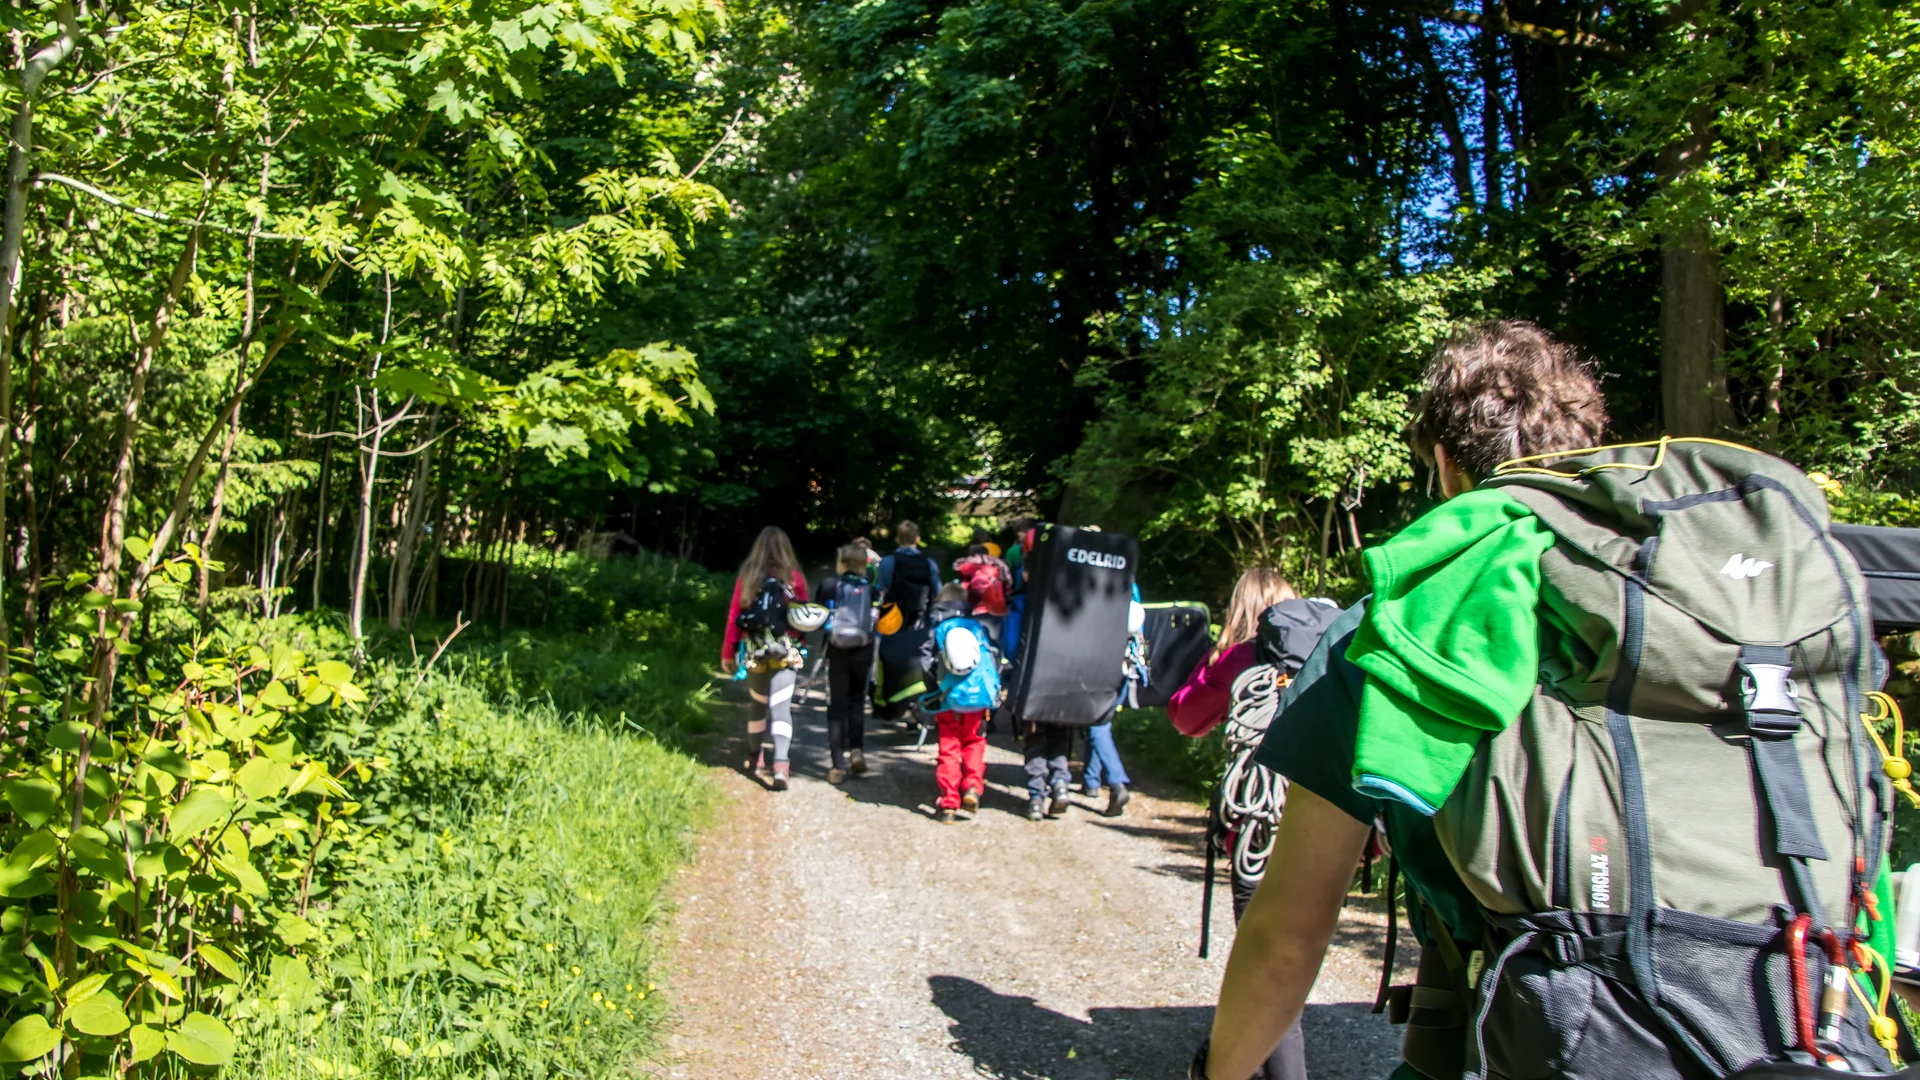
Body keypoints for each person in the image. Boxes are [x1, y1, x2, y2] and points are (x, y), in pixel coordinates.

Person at [1198, 321, 1904, 1080]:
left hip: (1560, 1035)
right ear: (1586, 443)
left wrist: (1221, 1071)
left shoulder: (1403, 619)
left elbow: (1288, 935)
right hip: (1811, 1025)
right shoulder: (1737, 611)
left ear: (1445, 465)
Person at [1165, 568, 1313, 1080]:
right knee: (1289, 960)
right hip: (1326, 835)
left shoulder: (1240, 658)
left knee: (1264, 967)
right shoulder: (1329, 652)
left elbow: (1185, 717)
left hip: (1258, 830)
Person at [721, 526, 810, 791]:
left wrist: (728, 652)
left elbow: (734, 615)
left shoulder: (748, 576)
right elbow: (802, 617)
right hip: (785, 651)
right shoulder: (794, 578)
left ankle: (753, 757)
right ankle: (781, 765)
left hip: (755, 651)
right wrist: (800, 643)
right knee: (781, 707)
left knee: (758, 705)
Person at [918, 583, 994, 822]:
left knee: (949, 747)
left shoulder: (939, 629)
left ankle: (949, 802)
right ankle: (972, 786)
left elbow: (925, 662)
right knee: (974, 742)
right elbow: (993, 660)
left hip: (949, 697)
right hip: (978, 699)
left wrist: (933, 691)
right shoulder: (978, 628)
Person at [815, 543, 877, 785]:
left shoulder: (830, 585)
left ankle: (837, 765)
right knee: (857, 702)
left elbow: (818, 616)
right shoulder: (871, 589)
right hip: (863, 649)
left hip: (837, 649)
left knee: (836, 705)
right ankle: (857, 752)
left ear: (842, 562)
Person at [877, 520, 941, 629]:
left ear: (897, 539)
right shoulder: (929, 563)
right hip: (921, 619)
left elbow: (879, 589)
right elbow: (938, 592)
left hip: (892, 619)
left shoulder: (888, 561)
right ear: (917, 539)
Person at [952, 542, 1012, 617]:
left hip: (971, 599)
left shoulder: (965, 564)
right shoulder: (999, 563)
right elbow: (1008, 582)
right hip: (995, 598)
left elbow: (959, 576)